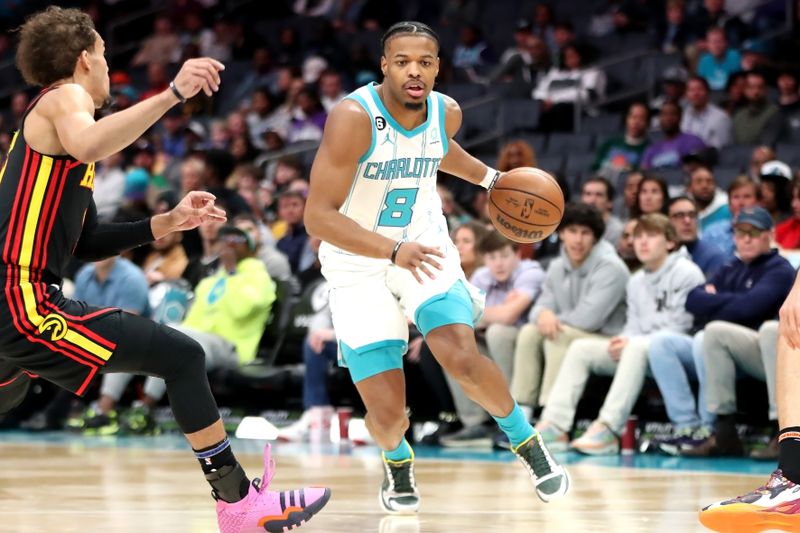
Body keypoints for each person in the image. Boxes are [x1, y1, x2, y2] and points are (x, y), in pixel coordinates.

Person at [0, 8, 329, 533]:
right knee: (181, 356)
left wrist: (168, 221)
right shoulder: (66, 99)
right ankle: (239, 504)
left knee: (10, 390)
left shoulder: (59, 143)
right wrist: (173, 93)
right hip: (21, 300)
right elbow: (91, 140)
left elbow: (85, 242)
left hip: (17, 299)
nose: (108, 68)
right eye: (106, 56)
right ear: (85, 60)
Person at [304, 21, 570, 513]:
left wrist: (493, 179)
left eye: (424, 62)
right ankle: (397, 459)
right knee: (388, 415)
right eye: (402, 60)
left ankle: (527, 442)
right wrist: (388, 250)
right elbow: (316, 216)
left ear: (437, 68)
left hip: (423, 246)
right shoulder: (352, 118)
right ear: (384, 65)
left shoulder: (445, 112)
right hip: (356, 262)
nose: (414, 70)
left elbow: (437, 150)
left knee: (458, 353)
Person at [535, 213, 704, 454]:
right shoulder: (635, 281)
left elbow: (680, 325)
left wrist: (632, 341)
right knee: (581, 348)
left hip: (676, 352)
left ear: (670, 242)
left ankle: (608, 429)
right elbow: (633, 325)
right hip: (639, 348)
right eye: (638, 237)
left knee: (635, 347)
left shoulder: (687, 272)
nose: (643, 242)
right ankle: (555, 425)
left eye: (652, 236)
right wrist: (622, 339)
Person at [700, 231, 800, 533]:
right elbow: (695, 300)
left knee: (792, 326)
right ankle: (724, 427)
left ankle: (794, 477)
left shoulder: (776, 267)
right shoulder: (730, 267)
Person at [510, 203, 629, 420]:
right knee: (529, 332)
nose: (578, 240)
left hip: (608, 339)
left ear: (595, 237)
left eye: (585, 233)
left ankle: (550, 416)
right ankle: (523, 414)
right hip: (573, 331)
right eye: (572, 231)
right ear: (561, 233)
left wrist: (550, 317)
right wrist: (543, 314)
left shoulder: (612, 267)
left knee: (557, 334)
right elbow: (538, 309)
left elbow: (588, 319)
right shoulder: (557, 266)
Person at [668, 197, 726, 277]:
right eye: (679, 215)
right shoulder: (658, 254)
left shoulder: (713, 257)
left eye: (692, 215)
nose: (687, 221)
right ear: (667, 220)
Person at [580, 177, 624, 244]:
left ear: (610, 202)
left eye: (599, 195)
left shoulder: (618, 230)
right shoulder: (572, 225)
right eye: (588, 194)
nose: (592, 200)